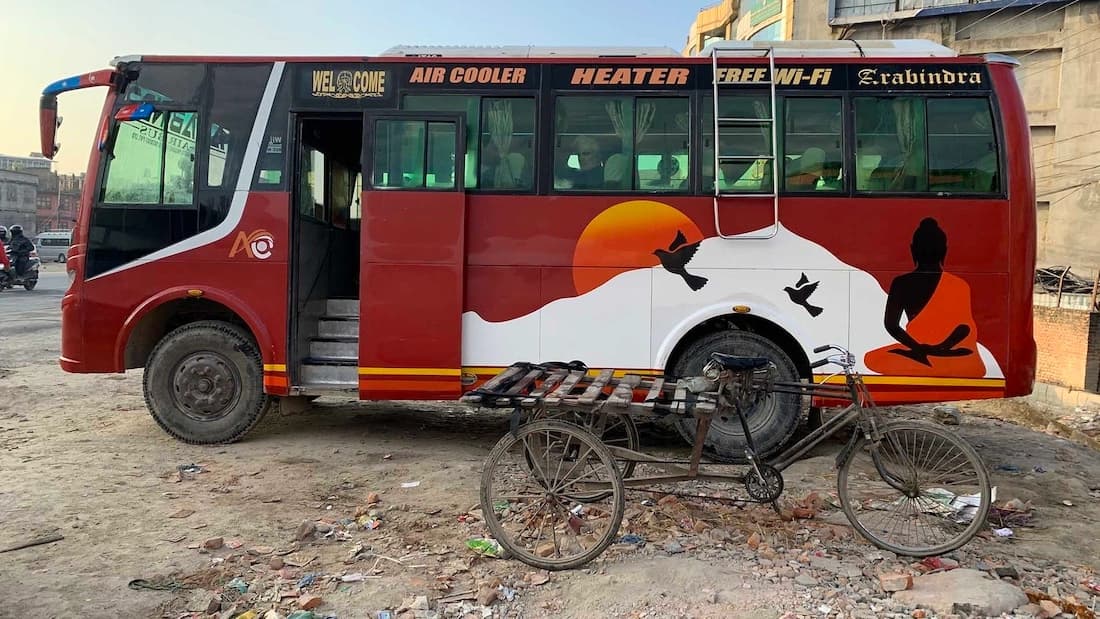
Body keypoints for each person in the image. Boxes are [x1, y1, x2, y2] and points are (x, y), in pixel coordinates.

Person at [864, 217, 985, 377]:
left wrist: (920, 349)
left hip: (926, 352)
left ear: (913, 250)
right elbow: (965, 328)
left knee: (872, 359)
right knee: (872, 358)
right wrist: (936, 349)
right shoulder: (958, 284)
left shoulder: (902, 283)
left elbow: (891, 325)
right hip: (947, 354)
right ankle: (935, 362)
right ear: (944, 250)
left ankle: (925, 360)